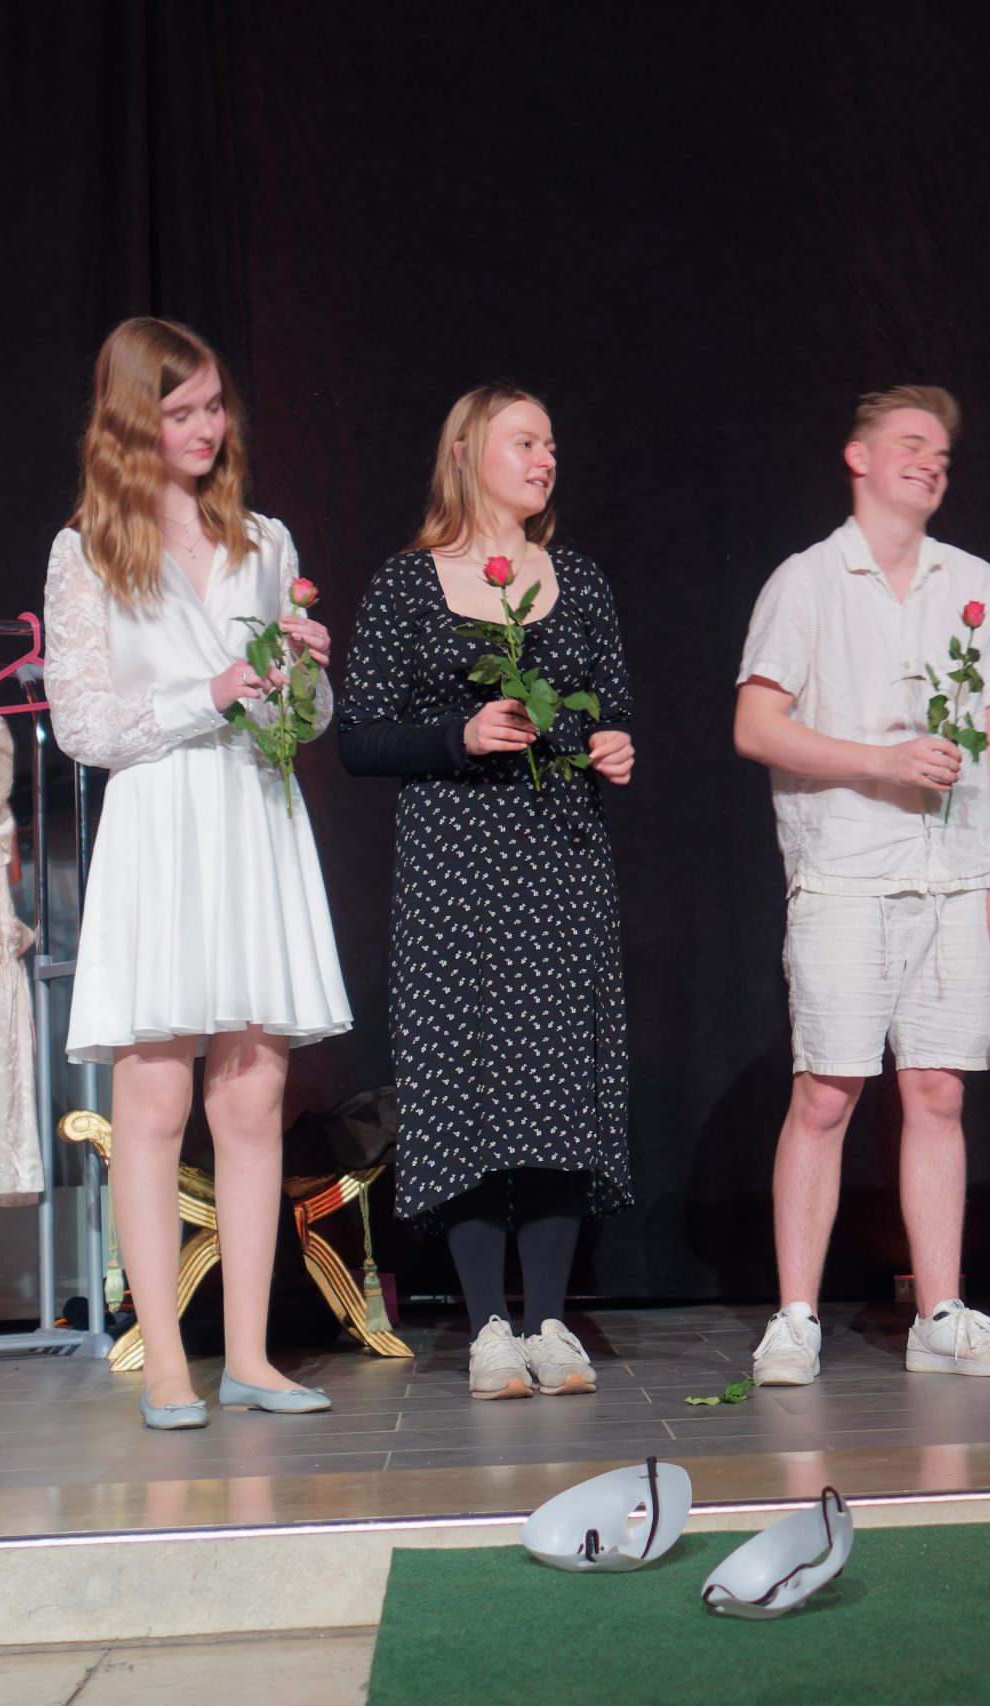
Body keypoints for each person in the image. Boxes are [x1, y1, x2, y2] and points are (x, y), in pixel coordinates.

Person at [43, 317, 349, 1428]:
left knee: (253, 1092)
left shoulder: (263, 542)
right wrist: (210, 691)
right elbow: (84, 725)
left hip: (251, 817)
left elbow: (299, 722)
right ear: (133, 419)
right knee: (156, 1092)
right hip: (160, 824)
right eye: (181, 412)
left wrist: (302, 677)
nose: (206, 428)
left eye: (215, 406)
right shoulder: (87, 550)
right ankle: (167, 1362)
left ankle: (253, 1355)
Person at [340, 385, 638, 1399]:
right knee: (464, 1084)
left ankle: (550, 1320)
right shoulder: (408, 583)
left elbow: (611, 710)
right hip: (455, 872)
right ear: (467, 451)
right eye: (525, 441)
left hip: (557, 861)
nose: (546, 457)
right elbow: (358, 737)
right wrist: (457, 736)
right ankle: (488, 1328)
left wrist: (611, 746)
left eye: (551, 443)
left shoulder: (580, 581)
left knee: (554, 1084)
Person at [734, 385, 990, 1384]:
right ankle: (795, 1315)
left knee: (938, 1089)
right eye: (910, 443)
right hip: (846, 871)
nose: (930, 461)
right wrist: (878, 762)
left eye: (942, 451)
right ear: (858, 456)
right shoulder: (808, 581)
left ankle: (940, 1310)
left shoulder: (973, 581)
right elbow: (755, 726)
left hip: (953, 873)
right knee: (827, 1091)